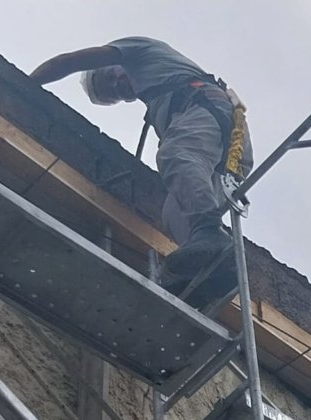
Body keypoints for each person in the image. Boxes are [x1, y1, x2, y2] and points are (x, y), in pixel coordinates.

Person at [30, 38, 253, 286]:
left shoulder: (138, 50)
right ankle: (214, 270)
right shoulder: (159, 92)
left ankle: (210, 232)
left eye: (111, 78)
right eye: (114, 93)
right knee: (174, 212)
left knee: (175, 155)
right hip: (230, 139)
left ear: (115, 63)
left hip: (206, 108)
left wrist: (26, 83)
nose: (118, 86)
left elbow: (66, 62)